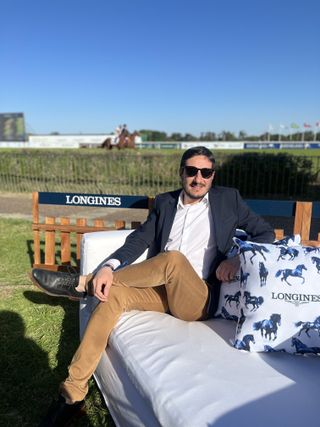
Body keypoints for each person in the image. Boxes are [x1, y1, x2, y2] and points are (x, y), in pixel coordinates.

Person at [32, 146, 275, 426]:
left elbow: (265, 233)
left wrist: (236, 258)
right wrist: (110, 266)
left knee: (173, 259)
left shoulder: (228, 200)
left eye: (205, 173)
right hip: (161, 292)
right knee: (111, 296)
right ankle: (72, 393)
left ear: (213, 176)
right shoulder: (164, 202)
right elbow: (139, 240)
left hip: (198, 299)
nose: (198, 178)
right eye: (192, 171)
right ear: (181, 173)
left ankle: (83, 282)